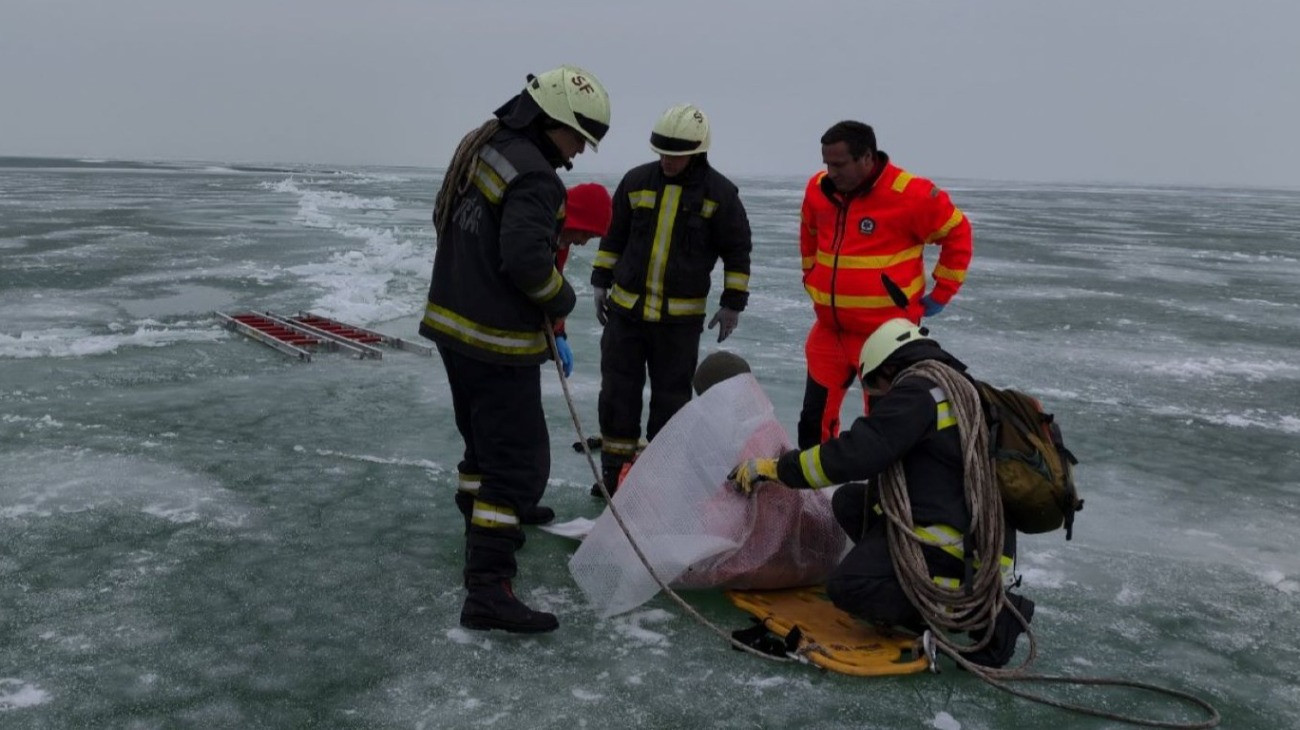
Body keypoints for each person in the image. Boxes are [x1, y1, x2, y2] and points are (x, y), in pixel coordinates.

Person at [420, 65, 611, 633]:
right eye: (578, 137)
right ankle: (488, 589)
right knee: (516, 465)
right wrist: (563, 301)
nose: (577, 154)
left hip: (455, 328)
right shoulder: (534, 175)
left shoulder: (486, 150)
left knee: (482, 451)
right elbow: (528, 263)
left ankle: (480, 527)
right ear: (551, 120)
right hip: (495, 341)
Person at [728, 319, 1033, 668]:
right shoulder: (959, 387)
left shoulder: (918, 394)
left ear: (890, 366)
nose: (879, 394)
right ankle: (911, 580)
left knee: (848, 587)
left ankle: (978, 616)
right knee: (849, 502)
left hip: (957, 546)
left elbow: (855, 454)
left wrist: (775, 469)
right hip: (973, 536)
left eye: (876, 383)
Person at [590, 103, 753, 496]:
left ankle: (655, 483)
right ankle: (614, 476)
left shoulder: (721, 195)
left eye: (676, 155)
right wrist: (599, 280)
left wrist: (733, 302)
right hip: (626, 315)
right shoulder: (636, 181)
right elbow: (614, 237)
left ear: (697, 152)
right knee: (617, 395)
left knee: (670, 402)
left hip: (678, 325)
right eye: (661, 153)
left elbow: (737, 250)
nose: (666, 161)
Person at [797, 120, 973, 449]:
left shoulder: (910, 194)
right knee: (812, 421)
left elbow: (957, 232)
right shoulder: (818, 189)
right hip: (830, 332)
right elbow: (809, 232)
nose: (830, 172)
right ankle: (812, 497)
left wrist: (942, 292)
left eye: (839, 164)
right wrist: (811, 277)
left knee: (884, 431)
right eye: (826, 164)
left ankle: (882, 498)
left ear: (867, 158)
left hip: (886, 338)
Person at [551, 183, 613, 378]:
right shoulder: (538, 233)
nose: (583, 242)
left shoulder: (561, 243)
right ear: (574, 221)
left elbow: (552, 287)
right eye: (585, 233)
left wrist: (558, 334)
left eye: (591, 238)